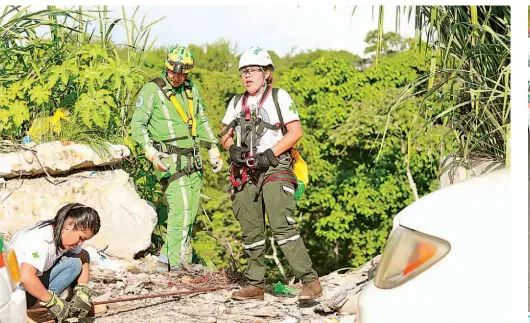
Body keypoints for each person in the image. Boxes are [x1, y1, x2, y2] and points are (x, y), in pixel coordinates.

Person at [220, 46, 321, 301]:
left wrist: (270, 154)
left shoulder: (280, 96)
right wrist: (232, 149)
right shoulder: (236, 102)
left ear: (266, 73)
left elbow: (295, 132)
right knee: (250, 229)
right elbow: (224, 132)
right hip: (245, 171)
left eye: (253, 70)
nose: (248, 75)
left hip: (275, 168)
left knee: (281, 224)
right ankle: (255, 285)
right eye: (244, 71)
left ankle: (310, 282)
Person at [131, 46, 222, 270]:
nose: (176, 77)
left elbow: (200, 119)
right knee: (179, 210)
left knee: (189, 215)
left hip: (193, 160)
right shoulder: (152, 90)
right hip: (169, 159)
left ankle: (165, 259)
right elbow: (137, 124)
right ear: (167, 67)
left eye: (182, 73)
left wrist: (212, 147)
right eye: (173, 72)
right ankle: (177, 266)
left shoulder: (191, 89)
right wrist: (149, 150)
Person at [10, 203, 101, 322]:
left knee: (76, 261)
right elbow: (25, 277)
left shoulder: (60, 231)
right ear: (70, 224)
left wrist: (82, 291)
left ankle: (38, 307)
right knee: (73, 264)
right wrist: (52, 302)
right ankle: (35, 311)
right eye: (81, 238)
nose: (80, 243)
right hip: (12, 296)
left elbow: (84, 256)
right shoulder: (41, 240)